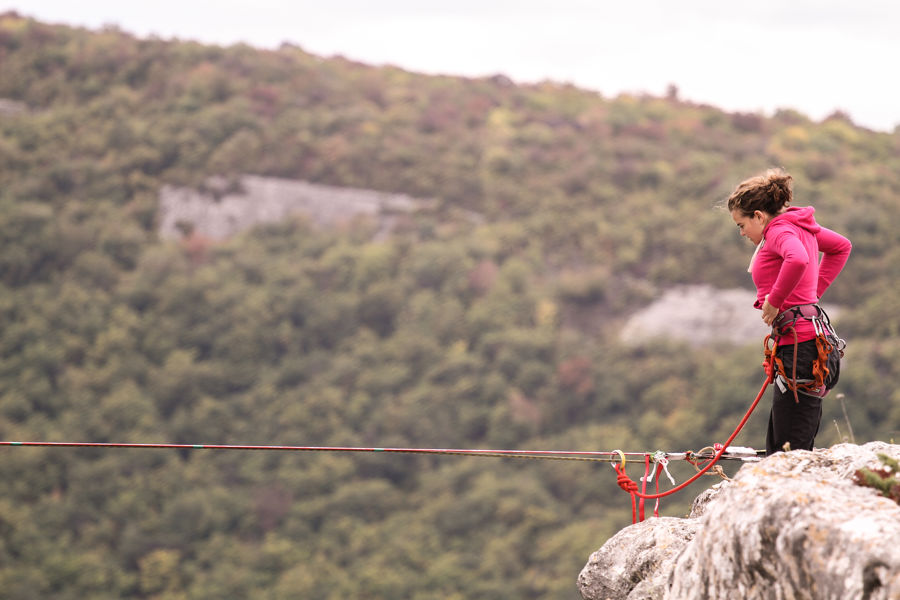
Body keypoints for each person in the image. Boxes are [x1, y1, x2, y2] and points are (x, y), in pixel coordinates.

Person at [727, 168, 851, 455]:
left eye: (741, 225)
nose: (742, 233)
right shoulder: (798, 226)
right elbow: (841, 247)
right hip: (802, 341)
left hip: (801, 346)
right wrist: (812, 294)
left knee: (787, 451)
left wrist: (775, 300)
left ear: (759, 216)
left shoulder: (779, 230)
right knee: (784, 441)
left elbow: (797, 259)